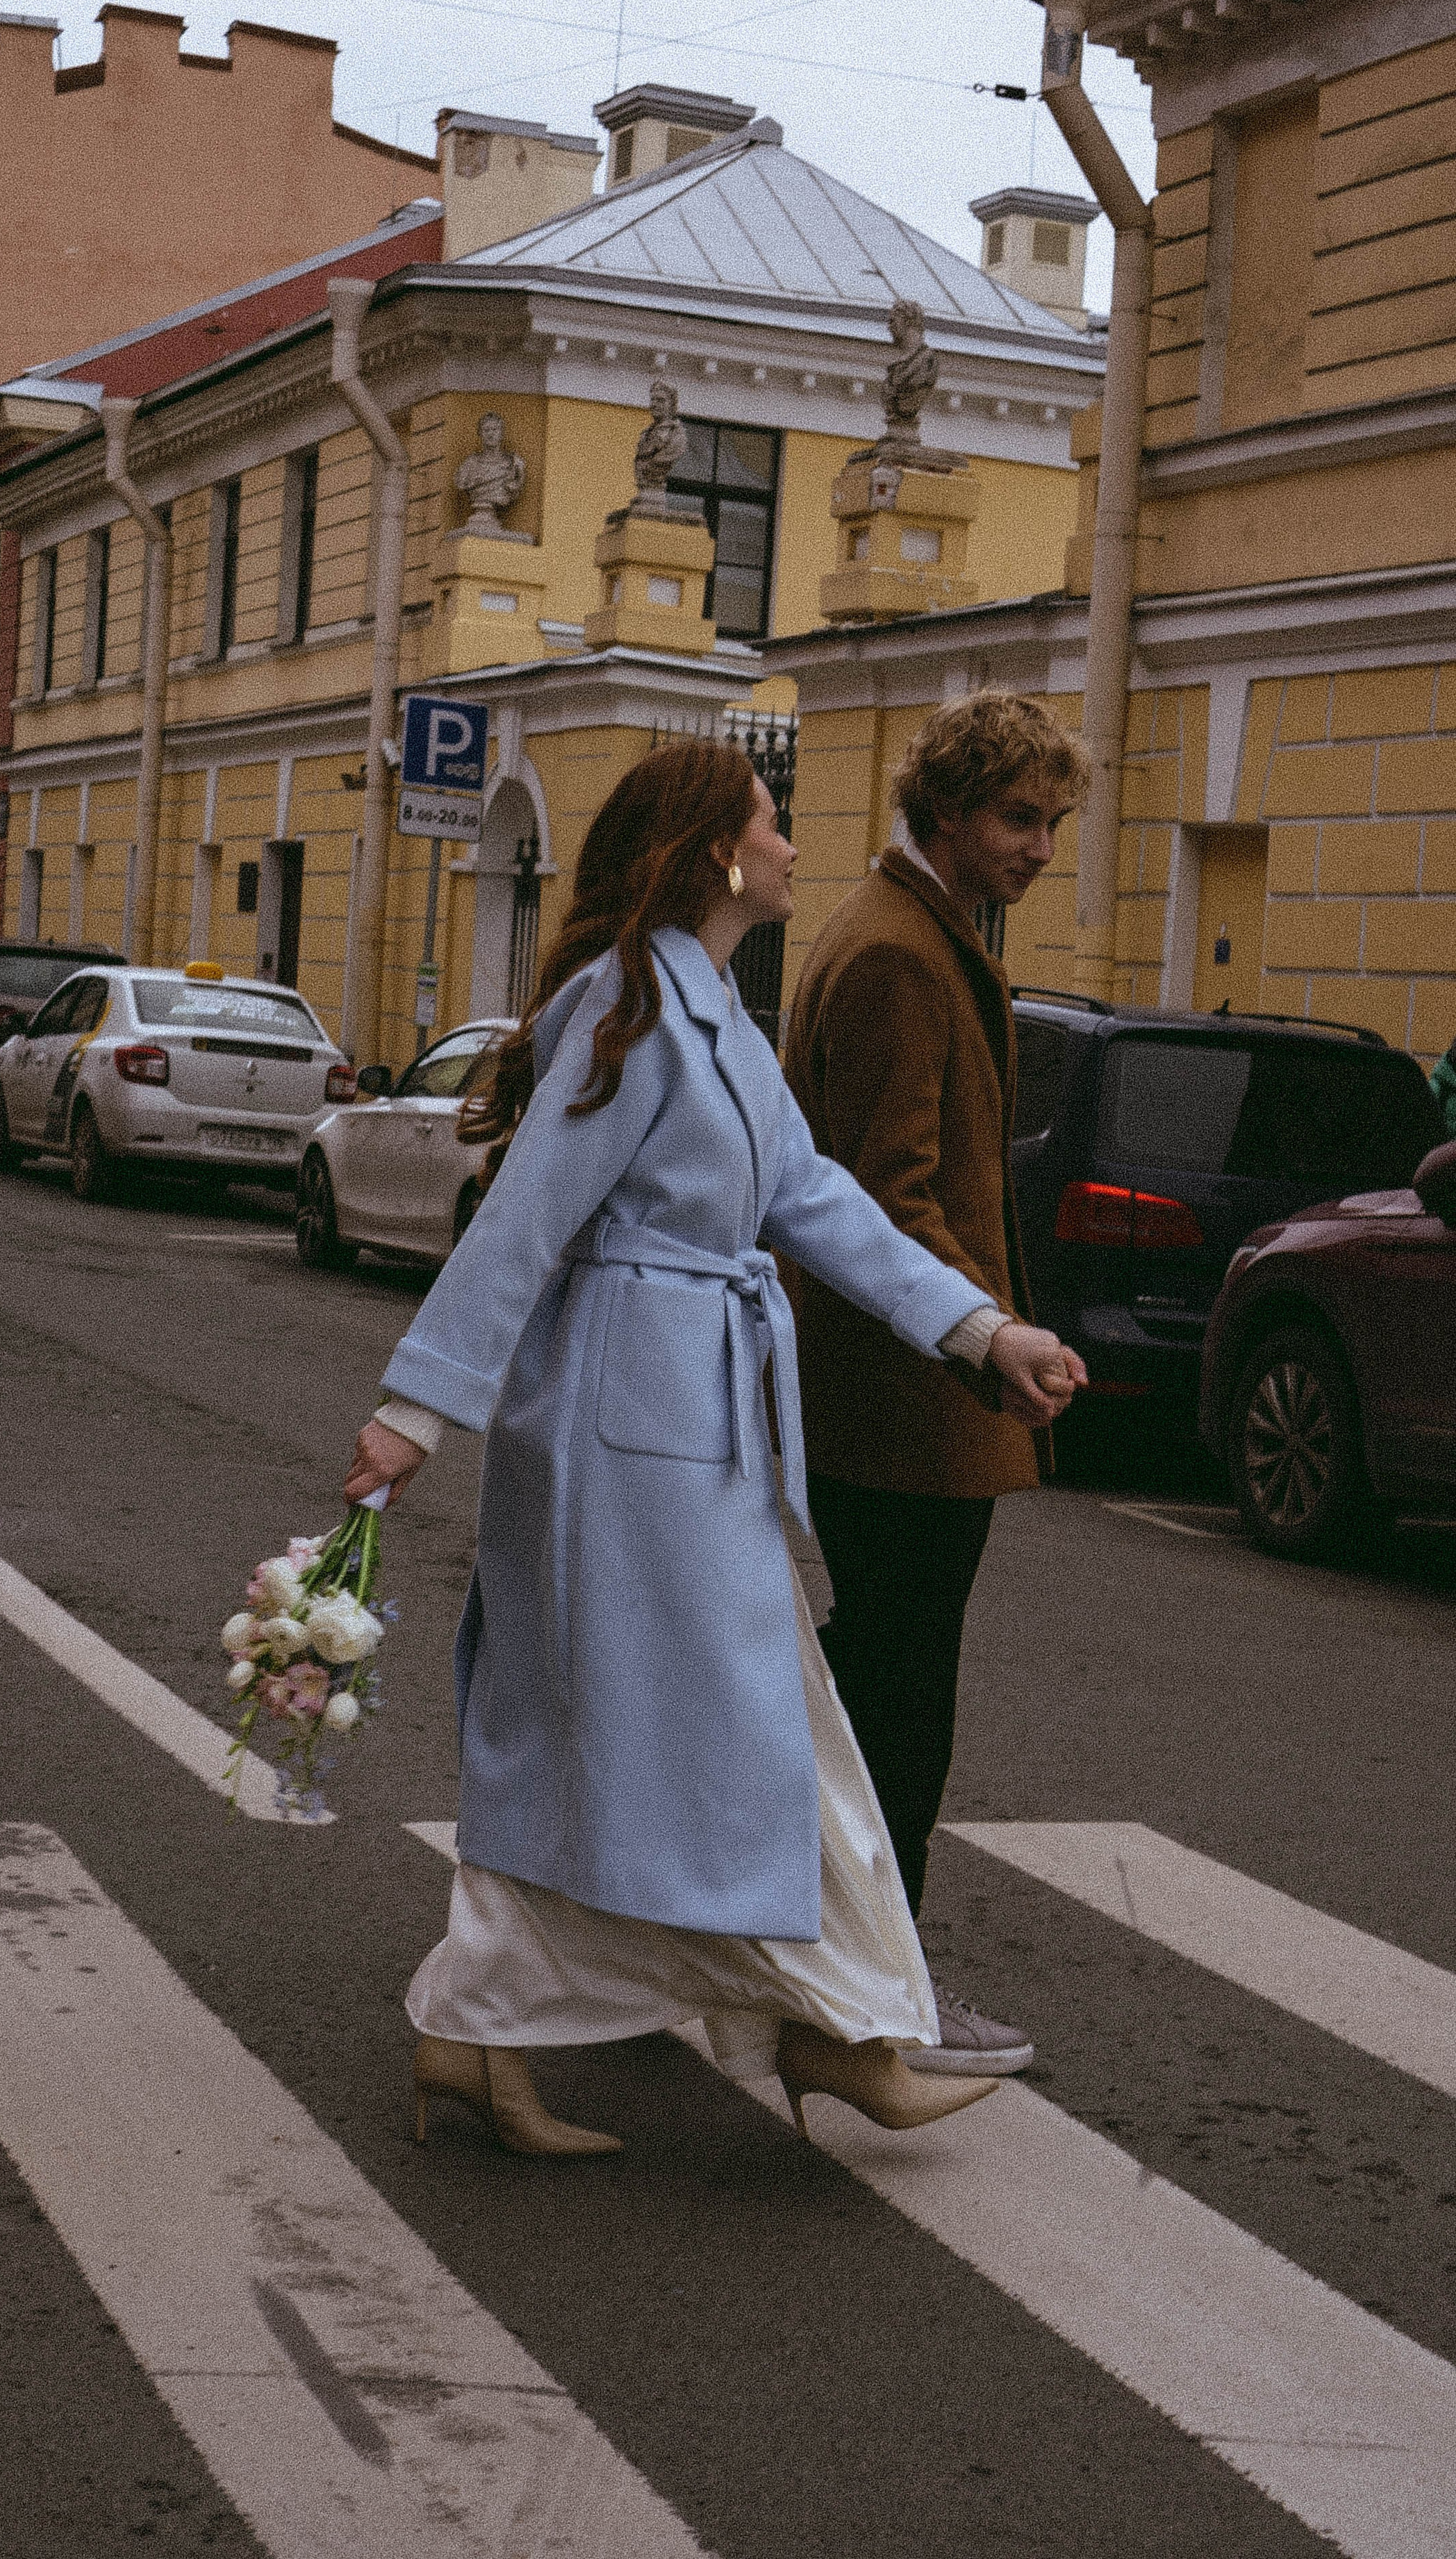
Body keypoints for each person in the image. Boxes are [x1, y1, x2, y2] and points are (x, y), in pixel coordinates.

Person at [343, 740, 1086, 2160]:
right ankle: (826, 2029)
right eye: (771, 825)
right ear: (710, 855)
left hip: (699, 1425)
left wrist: (979, 1332)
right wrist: (413, 1411)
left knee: (666, 1737)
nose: (794, 847)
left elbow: (817, 1200)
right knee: (719, 1735)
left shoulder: (715, 1015)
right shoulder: (622, 1010)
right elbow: (520, 1229)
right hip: (619, 1437)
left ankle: (533, 2023)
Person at [782, 690, 1087, 2081]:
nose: (1037, 846)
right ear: (948, 811)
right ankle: (873, 1985)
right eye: (1018, 818)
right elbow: (883, 1197)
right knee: (898, 1707)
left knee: (866, 1691)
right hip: (904, 1405)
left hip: (888, 1392)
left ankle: (810, 1957)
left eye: (1050, 822)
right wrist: (990, 1333)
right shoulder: (902, 955)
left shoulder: (902, 929)